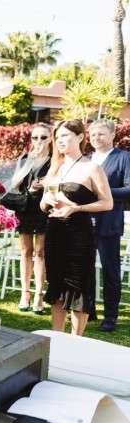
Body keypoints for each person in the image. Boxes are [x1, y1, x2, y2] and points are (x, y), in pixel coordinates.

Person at [40, 119, 112, 336]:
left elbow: (107, 203)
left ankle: (75, 342)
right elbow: (43, 205)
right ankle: (57, 338)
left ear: (80, 137)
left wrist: (77, 208)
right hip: (54, 233)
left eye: (65, 135)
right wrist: (47, 201)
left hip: (79, 236)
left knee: (78, 288)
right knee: (56, 286)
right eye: (58, 136)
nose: (59, 140)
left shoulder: (92, 168)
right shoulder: (55, 167)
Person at [87, 119, 130, 332]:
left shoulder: (124, 158)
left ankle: (110, 316)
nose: (96, 137)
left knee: (110, 271)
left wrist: (103, 192)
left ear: (113, 135)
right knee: (85, 267)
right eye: (93, 134)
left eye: (101, 134)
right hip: (84, 222)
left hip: (108, 224)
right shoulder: (85, 159)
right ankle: (88, 309)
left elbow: (129, 189)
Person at [9, 123, 53, 314]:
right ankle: (24, 294)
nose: (39, 141)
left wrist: (42, 184)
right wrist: (27, 164)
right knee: (26, 251)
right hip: (26, 207)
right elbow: (14, 184)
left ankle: (38, 295)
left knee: (41, 251)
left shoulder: (55, 159)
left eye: (43, 137)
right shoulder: (25, 158)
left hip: (45, 207)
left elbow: (57, 181)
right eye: (35, 138)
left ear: (51, 138)